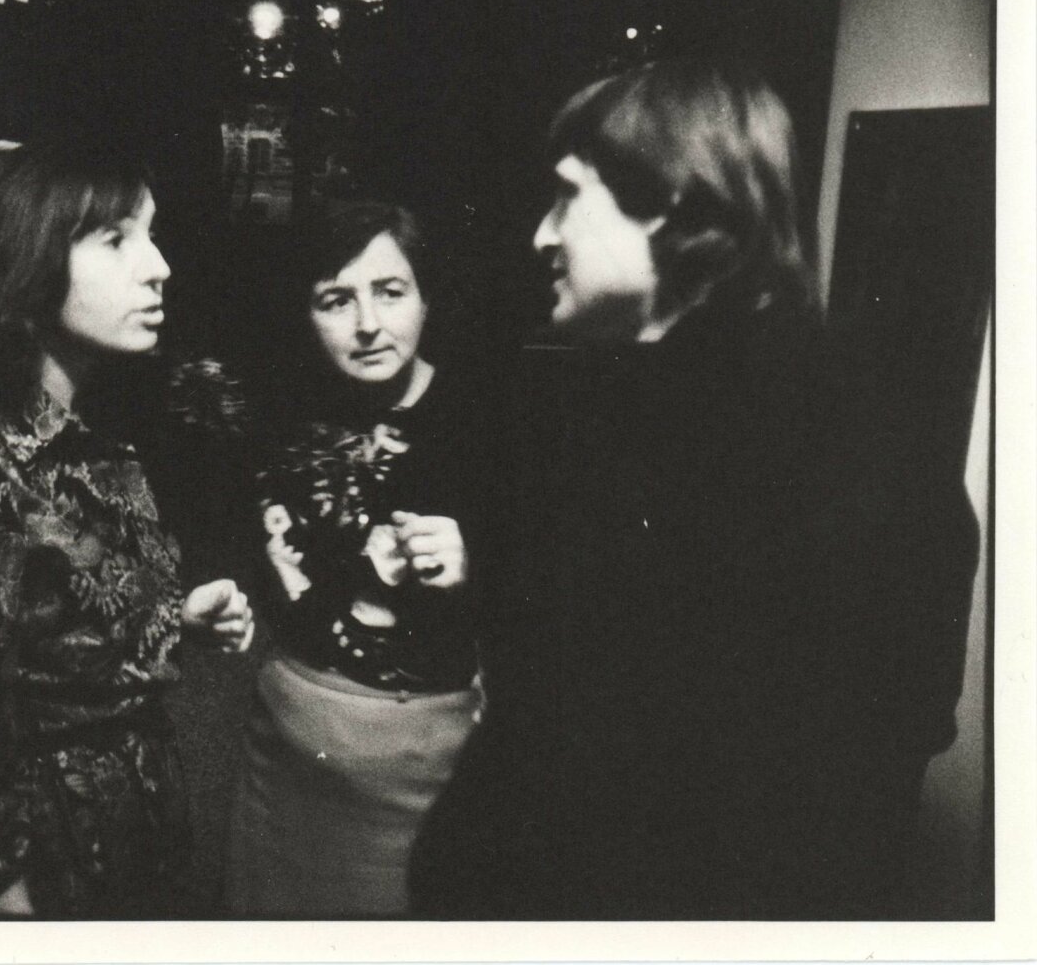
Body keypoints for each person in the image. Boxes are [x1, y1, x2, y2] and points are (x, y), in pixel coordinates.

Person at [409, 58, 980, 919]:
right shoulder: (634, 405)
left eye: (567, 195)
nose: (540, 235)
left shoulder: (810, 447)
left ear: (670, 199)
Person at [0, 139, 254, 919]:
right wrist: (9, 902)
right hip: (54, 871)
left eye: (149, 233)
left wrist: (174, 618)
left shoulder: (86, 429)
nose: (159, 266)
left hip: (132, 830)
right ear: (30, 265)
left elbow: (53, 626)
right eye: (116, 240)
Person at [223, 201, 494, 917]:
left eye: (391, 291)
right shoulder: (274, 415)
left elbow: (551, 599)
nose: (368, 323)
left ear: (426, 297)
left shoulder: (486, 418)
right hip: (289, 754)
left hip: (426, 764)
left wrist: (475, 566)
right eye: (336, 300)